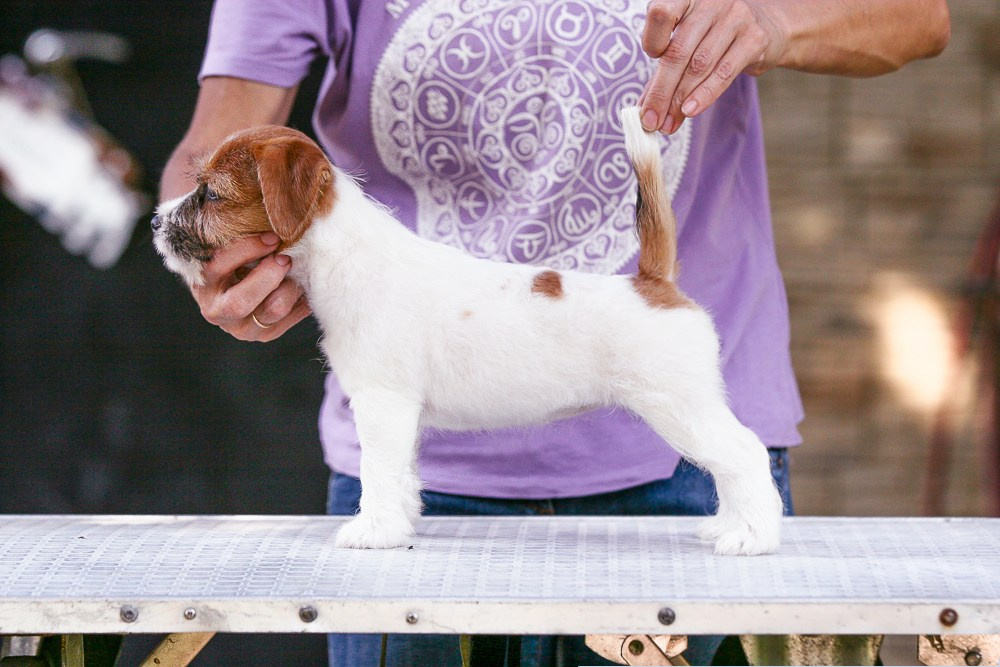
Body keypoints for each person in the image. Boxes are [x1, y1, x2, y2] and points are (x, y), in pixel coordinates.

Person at [160, 1, 949, 664]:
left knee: (698, 426)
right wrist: (210, 257)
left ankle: (744, 493)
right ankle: (389, 511)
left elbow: (922, 15)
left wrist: (772, 20)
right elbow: (212, 148)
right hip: (452, 506)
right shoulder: (371, 276)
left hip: (670, 484)